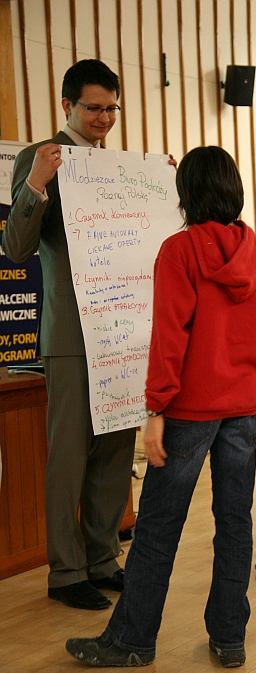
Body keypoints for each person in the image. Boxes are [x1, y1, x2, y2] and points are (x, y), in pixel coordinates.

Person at [65, 145, 256, 669]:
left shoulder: (178, 250)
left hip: (191, 408)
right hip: (244, 404)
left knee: (157, 527)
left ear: (187, 193)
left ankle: (131, 640)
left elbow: (169, 337)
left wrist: (155, 409)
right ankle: (229, 637)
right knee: (235, 523)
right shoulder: (255, 247)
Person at [3, 60, 137, 610]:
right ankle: (66, 572)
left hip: (122, 328)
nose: (104, 118)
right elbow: (15, 249)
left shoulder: (120, 168)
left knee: (116, 447)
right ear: (67, 106)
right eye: (93, 108)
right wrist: (37, 182)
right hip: (71, 333)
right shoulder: (41, 158)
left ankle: (103, 559)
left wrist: (163, 191)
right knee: (69, 455)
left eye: (112, 108)